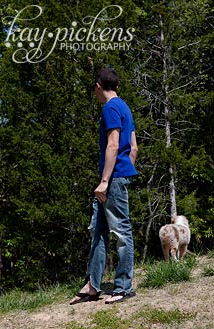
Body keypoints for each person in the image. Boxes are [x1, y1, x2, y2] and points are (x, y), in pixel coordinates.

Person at [70, 68, 138, 305]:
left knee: (121, 232)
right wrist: (124, 170)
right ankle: (93, 285)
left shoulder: (110, 108)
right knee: (97, 231)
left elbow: (113, 144)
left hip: (112, 181)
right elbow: (134, 148)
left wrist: (107, 180)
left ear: (98, 85)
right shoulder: (125, 107)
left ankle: (123, 287)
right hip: (118, 176)